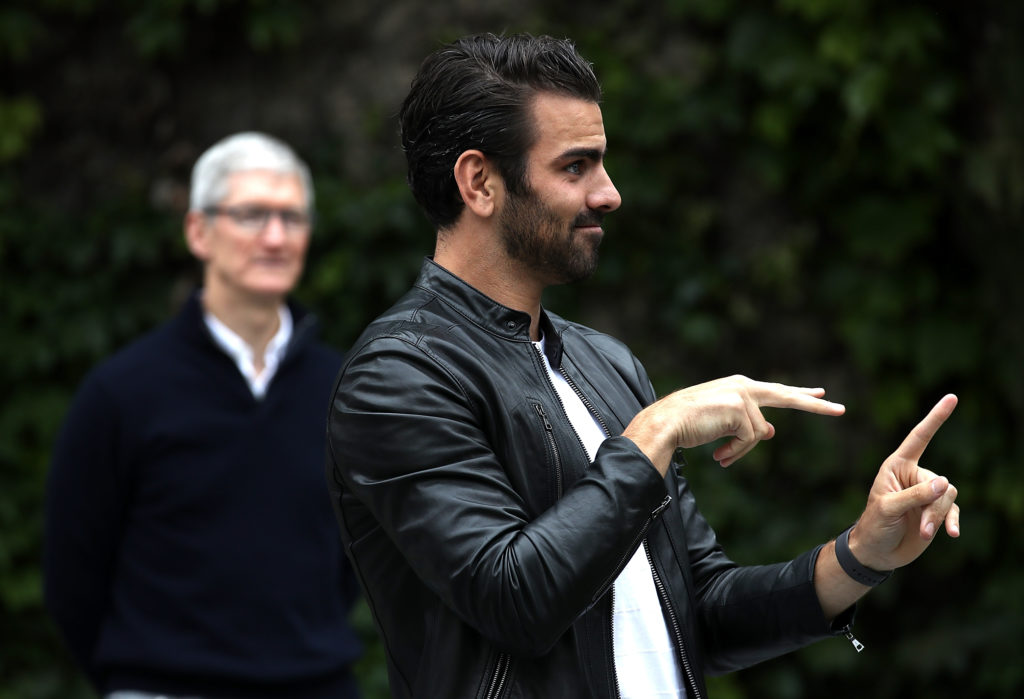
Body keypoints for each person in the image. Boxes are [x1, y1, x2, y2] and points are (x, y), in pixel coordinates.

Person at [324, 33, 961, 699]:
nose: (610, 194)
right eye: (576, 167)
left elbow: (698, 613)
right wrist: (654, 431)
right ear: (479, 182)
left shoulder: (607, 364)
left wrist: (858, 556)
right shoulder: (399, 374)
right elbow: (515, 598)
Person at [44, 132, 362, 699]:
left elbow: (359, 555)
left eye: (292, 218)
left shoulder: (346, 391)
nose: (275, 237)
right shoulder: (124, 392)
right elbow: (73, 573)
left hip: (316, 686)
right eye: (251, 215)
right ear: (198, 231)